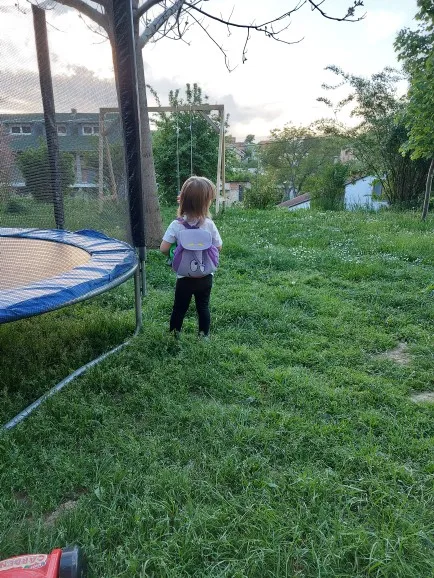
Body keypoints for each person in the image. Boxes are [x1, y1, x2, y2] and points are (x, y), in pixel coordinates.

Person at [160, 176, 223, 339]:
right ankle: (204, 336)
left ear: (183, 200)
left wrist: (174, 252)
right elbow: (218, 247)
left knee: (179, 308)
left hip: (184, 278)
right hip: (205, 276)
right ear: (205, 203)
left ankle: (174, 336)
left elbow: (163, 248)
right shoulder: (209, 224)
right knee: (203, 307)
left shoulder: (176, 225)